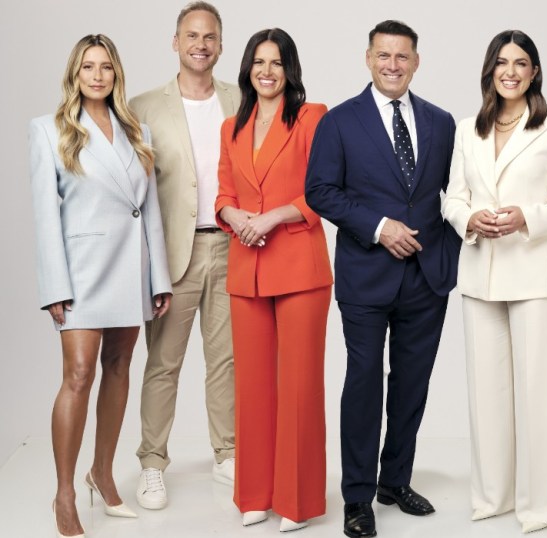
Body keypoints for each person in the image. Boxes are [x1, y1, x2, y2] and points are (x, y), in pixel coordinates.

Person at [306, 19, 459, 538]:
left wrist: (453, 249)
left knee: (412, 386)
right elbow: (320, 190)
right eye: (383, 56)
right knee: (364, 386)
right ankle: (357, 497)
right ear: (368, 59)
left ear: (416, 62)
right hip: (367, 278)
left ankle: (395, 480)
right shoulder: (340, 122)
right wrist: (378, 227)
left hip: (427, 276)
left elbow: (455, 195)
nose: (393, 65)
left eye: (402, 57)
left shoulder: (441, 122)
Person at [442, 30, 547, 533]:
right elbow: (452, 197)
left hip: (534, 272)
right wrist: (469, 219)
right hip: (480, 272)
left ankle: (541, 505)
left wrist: (527, 216)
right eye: (502, 63)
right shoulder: (467, 130)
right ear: (490, 70)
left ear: (535, 72)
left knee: (539, 393)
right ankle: (492, 497)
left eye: (521, 63)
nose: (511, 71)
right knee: (486, 394)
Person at [30, 34, 172, 538]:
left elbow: (148, 209)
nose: (97, 75)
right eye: (88, 66)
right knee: (79, 374)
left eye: (106, 67)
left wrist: (159, 277)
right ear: (75, 73)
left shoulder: (138, 129)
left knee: (118, 368)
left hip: (129, 267)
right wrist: (55, 286)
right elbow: (46, 216)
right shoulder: (49, 130)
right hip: (83, 270)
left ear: (116, 74)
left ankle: (103, 473)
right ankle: (64, 493)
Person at [215, 27, 332, 532]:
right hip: (247, 268)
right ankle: (256, 495)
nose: (267, 71)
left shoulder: (311, 117)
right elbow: (222, 193)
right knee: (254, 387)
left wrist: (273, 217)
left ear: (290, 70)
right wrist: (235, 217)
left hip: (300, 266)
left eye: (277, 63)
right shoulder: (230, 127)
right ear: (247, 69)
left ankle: (298, 501)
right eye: (259, 62)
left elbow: (323, 191)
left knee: (299, 386)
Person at [129, 1, 239, 510]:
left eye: (210, 36)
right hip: (173, 250)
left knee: (227, 360)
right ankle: (152, 463)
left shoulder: (241, 99)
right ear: (176, 42)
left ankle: (229, 451)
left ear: (220, 44)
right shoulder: (143, 106)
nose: (201, 44)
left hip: (232, 245)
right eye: (191, 35)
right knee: (163, 363)